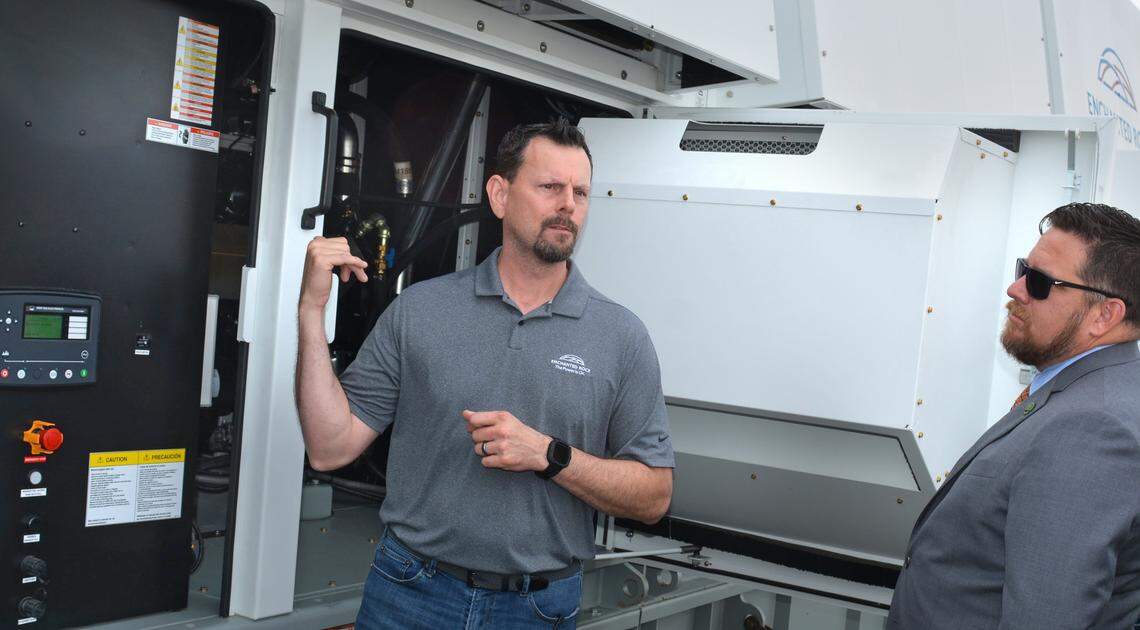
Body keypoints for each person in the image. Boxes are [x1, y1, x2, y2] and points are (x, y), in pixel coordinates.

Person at [295, 120, 675, 629]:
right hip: (410, 594)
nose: (568, 204)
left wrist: (548, 455)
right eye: (550, 187)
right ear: (499, 194)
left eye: (580, 192)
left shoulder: (621, 337)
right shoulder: (421, 311)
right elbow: (329, 446)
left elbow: (654, 497)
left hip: (537, 608)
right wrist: (310, 311)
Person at [888, 203, 1140, 628]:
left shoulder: (1092, 428)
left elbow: (1044, 617)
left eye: (1040, 282)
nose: (1015, 288)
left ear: (1104, 315)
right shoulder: (1087, 394)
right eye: (1024, 268)